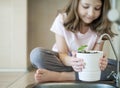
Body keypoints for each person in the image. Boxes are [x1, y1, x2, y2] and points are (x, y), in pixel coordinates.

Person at [30, 0, 117, 83]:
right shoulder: (62, 19)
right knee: (37, 55)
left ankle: (60, 76)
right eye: (85, 6)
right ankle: (79, 75)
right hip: (63, 61)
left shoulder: (101, 26)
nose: (91, 13)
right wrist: (72, 61)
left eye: (97, 8)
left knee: (116, 68)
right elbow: (62, 54)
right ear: (76, 3)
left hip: (86, 66)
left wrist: (101, 62)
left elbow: (94, 58)